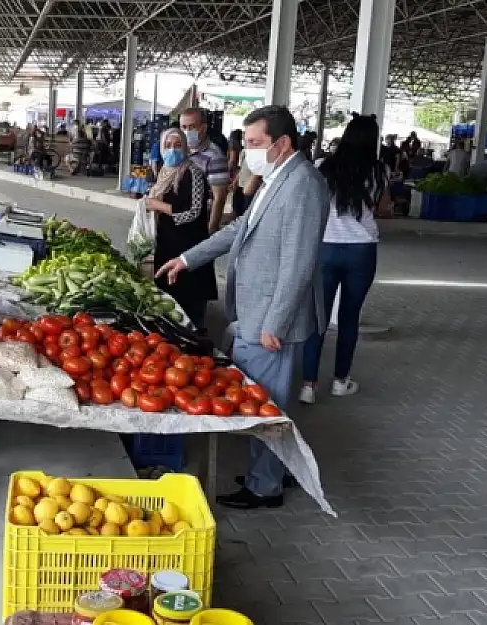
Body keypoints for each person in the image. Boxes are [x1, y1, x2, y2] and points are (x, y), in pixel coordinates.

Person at [156, 105, 328, 510]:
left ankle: (265, 486)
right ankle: (272, 471)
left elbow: (299, 263)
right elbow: (239, 229)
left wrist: (276, 323)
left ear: (282, 143)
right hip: (256, 310)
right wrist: (187, 258)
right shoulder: (274, 177)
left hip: (270, 318)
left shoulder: (302, 185)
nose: (247, 151)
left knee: (264, 405)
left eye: (254, 143)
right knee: (265, 399)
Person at [299, 113, 389, 404]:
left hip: (325, 247)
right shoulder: (379, 170)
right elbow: (383, 208)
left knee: (318, 317)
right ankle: (340, 381)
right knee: (349, 317)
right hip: (362, 250)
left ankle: (308, 385)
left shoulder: (323, 167)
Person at [144, 128, 217, 331]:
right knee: (169, 300)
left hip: (189, 246)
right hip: (168, 243)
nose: (173, 150)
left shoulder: (193, 173)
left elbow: (193, 212)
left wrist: (158, 206)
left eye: (177, 145)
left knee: (190, 302)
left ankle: (196, 342)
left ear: (185, 147)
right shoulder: (165, 173)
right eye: (168, 146)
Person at [179, 108, 231, 233]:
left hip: (199, 222)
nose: (187, 132)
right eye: (184, 127)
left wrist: (211, 228)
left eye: (192, 127)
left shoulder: (214, 157)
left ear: (203, 127)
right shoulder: (180, 151)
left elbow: (219, 197)